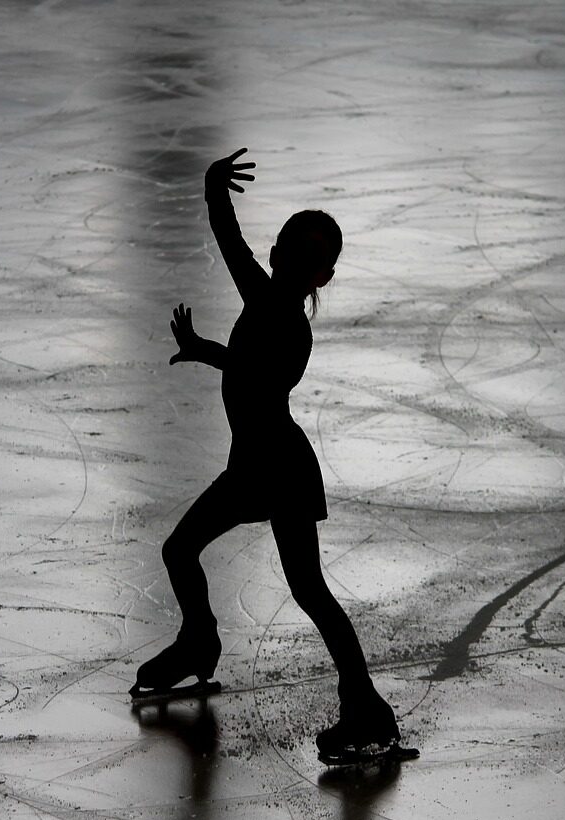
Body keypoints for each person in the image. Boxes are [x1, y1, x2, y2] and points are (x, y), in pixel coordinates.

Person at [131, 148, 408, 763]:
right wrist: (213, 192)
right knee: (182, 550)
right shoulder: (265, 298)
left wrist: (210, 351)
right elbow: (232, 250)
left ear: (321, 277)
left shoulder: (286, 321)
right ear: (278, 251)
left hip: (277, 471)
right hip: (256, 465)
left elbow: (261, 373)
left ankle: (368, 710)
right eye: (289, 245)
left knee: (307, 589)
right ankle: (199, 642)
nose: (291, 258)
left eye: (311, 257)